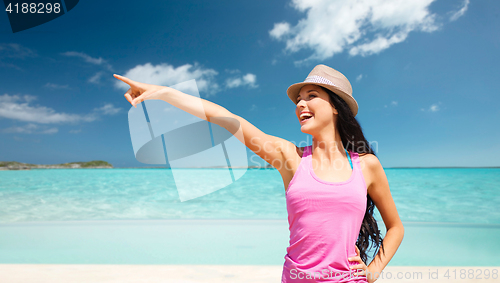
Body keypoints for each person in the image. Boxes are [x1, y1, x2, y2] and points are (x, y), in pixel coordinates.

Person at [113, 64, 404, 283]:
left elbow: (395, 227)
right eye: (298, 100)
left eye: (311, 96)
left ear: (336, 107)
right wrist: (163, 93)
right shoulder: (289, 157)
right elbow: (227, 119)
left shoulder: (365, 165)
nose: (300, 104)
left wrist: (374, 269)